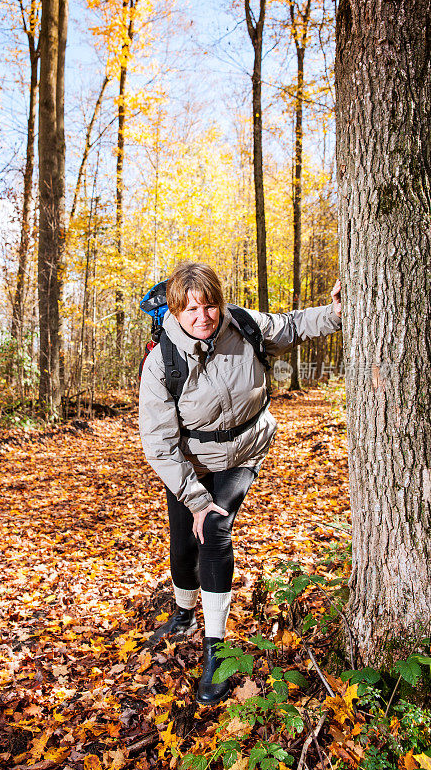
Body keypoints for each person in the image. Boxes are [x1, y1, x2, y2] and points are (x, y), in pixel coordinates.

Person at [138, 262, 342, 704]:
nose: (203, 316)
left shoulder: (243, 324)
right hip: (192, 462)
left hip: (246, 450)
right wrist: (193, 497)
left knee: (214, 528)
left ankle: (216, 649)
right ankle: (183, 612)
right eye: (190, 309)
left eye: (210, 305)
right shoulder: (161, 363)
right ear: (175, 311)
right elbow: (158, 444)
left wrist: (337, 313)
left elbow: (291, 326)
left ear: (220, 303)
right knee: (182, 542)